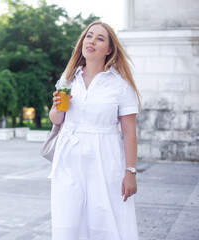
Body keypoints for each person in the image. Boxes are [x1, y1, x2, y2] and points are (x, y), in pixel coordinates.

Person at [48, 21, 140, 240]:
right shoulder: (68, 80)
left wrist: (131, 171)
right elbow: (56, 119)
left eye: (100, 38)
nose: (92, 41)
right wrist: (56, 108)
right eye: (89, 36)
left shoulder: (121, 85)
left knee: (104, 220)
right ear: (82, 42)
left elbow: (129, 132)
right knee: (67, 220)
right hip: (69, 158)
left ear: (109, 50)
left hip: (105, 158)